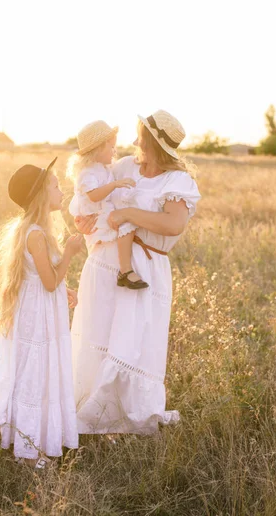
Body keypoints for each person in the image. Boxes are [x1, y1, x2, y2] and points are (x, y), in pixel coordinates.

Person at [71, 111, 201, 435]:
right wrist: (82, 220)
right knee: (98, 333)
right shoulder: (126, 166)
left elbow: (174, 224)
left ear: (156, 146)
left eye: (140, 138)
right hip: (106, 261)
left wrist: (128, 213)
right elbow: (96, 196)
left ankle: (124, 417)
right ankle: (92, 412)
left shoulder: (178, 182)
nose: (133, 142)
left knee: (133, 342)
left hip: (145, 269)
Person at [0, 158, 83, 467]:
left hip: (38, 311)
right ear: (41, 196)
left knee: (38, 371)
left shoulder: (34, 230)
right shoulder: (36, 234)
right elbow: (48, 282)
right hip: (38, 319)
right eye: (56, 186)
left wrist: (65, 289)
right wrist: (71, 254)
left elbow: (44, 278)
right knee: (37, 373)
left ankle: (36, 438)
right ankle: (29, 451)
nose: (62, 191)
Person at [67, 120, 148, 290]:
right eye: (111, 147)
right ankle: (125, 270)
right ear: (98, 149)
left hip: (104, 213)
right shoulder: (87, 172)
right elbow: (94, 196)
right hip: (98, 216)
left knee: (127, 224)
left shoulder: (104, 168)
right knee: (126, 225)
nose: (114, 151)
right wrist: (114, 185)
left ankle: (125, 269)